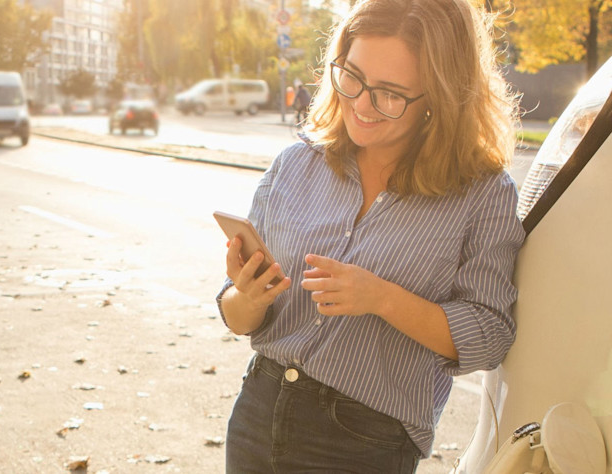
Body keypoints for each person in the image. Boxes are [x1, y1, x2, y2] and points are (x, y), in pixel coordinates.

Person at [217, 0, 524, 472]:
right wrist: (249, 297)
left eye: (390, 93)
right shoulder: (296, 164)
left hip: (364, 442)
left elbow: (489, 336)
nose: (361, 104)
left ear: (440, 96)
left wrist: (383, 298)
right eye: (352, 77)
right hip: (259, 410)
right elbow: (237, 319)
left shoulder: (481, 194)